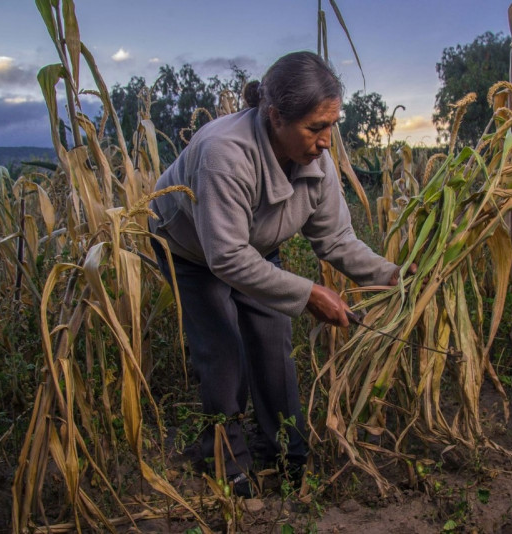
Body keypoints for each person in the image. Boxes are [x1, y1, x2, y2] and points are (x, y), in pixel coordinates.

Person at [148, 51, 408, 497]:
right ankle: (225, 459)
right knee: (223, 348)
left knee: (273, 341)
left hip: (255, 246)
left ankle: (285, 451)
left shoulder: (317, 160)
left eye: (332, 125)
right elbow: (226, 258)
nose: (327, 141)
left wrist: (394, 275)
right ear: (275, 118)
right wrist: (310, 293)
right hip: (190, 248)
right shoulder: (223, 154)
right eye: (314, 128)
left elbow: (337, 240)